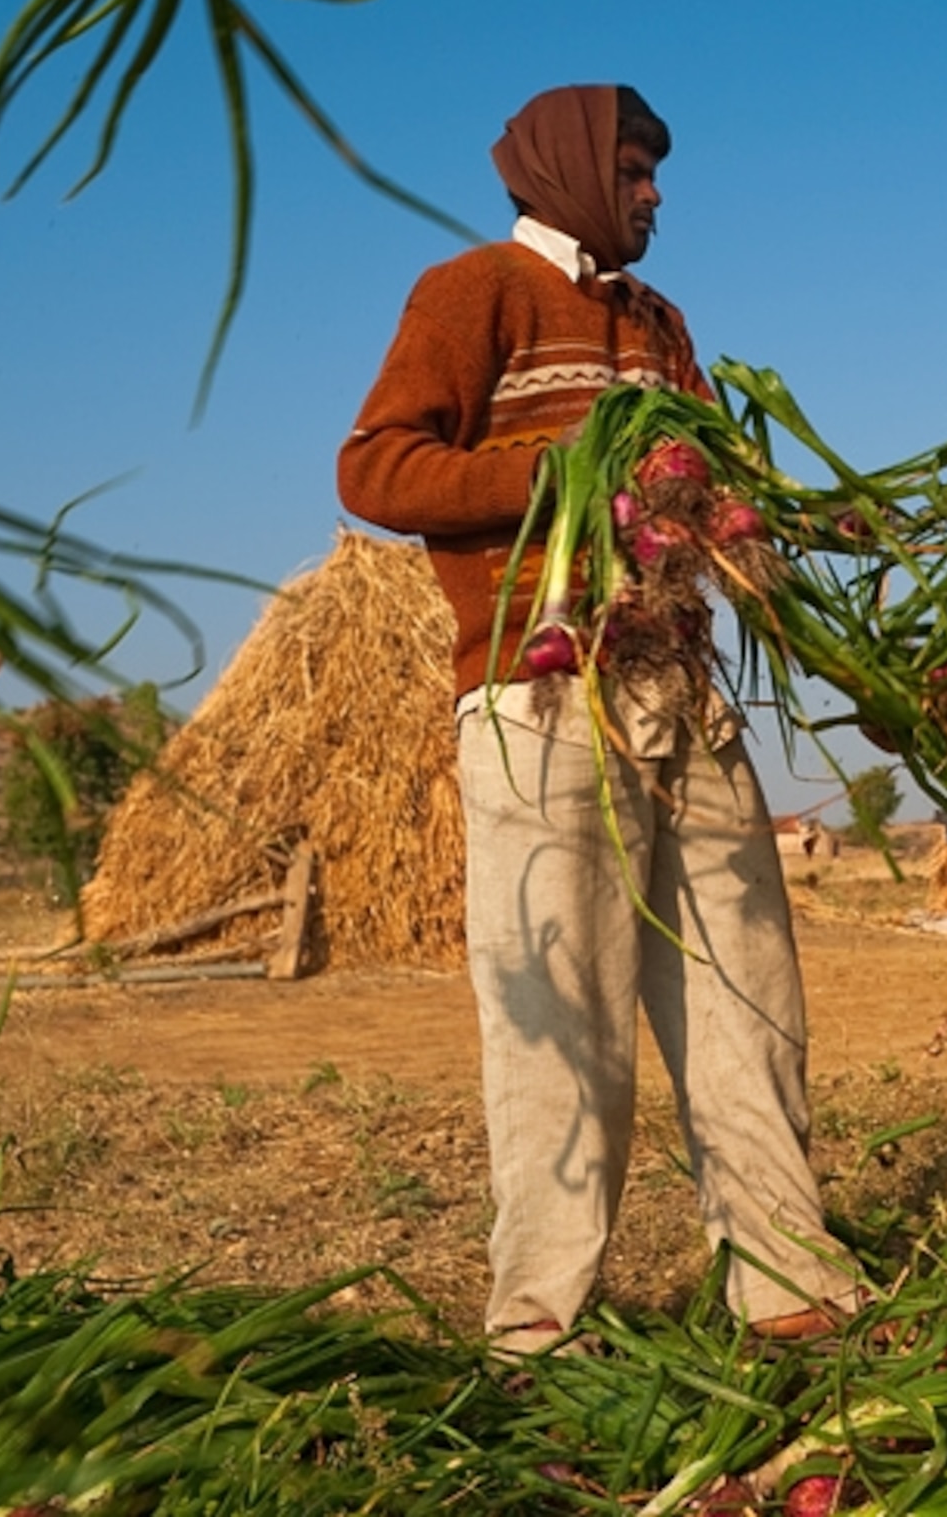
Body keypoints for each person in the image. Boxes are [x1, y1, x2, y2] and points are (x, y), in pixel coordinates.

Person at [337, 84, 862, 1354]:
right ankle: (538, 1326)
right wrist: (555, 475)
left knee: (748, 993)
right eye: (635, 170)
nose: (655, 193)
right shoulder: (475, 294)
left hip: (683, 690)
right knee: (563, 1020)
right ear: (571, 171)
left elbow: (706, 496)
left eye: (654, 172)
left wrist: (791, 556)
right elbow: (376, 465)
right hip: (544, 694)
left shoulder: (659, 321)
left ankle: (788, 1280)